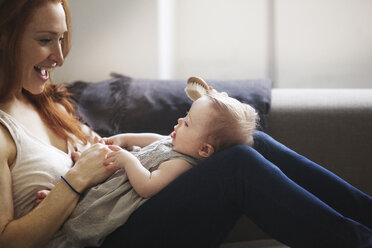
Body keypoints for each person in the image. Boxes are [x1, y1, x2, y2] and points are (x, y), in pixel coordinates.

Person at [0, 1, 371, 248]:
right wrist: (75, 182)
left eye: (63, 39)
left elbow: (103, 153)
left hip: (114, 208)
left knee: (248, 140)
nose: (61, 56)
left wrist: (95, 157)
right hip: (102, 236)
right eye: (46, 40)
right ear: (5, 38)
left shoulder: (47, 100)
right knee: (238, 166)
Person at [37, 91, 258, 247]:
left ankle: (65, 221)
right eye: (185, 116)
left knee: (95, 207)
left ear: (204, 149)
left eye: (188, 123)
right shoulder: (176, 142)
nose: (180, 121)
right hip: (114, 184)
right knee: (94, 187)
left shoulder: (181, 164)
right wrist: (122, 139)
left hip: (117, 202)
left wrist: (127, 161)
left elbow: (148, 186)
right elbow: (150, 139)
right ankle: (61, 208)